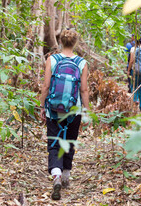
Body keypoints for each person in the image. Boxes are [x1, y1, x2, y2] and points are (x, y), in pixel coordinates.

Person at [40, 28, 89, 200]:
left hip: (53, 110)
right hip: (73, 111)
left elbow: (46, 86)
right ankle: (66, 176)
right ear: (75, 43)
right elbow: (83, 89)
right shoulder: (82, 63)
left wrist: (41, 106)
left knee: (54, 144)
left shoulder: (52, 59)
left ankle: (56, 176)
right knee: (69, 141)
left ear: (60, 41)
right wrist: (86, 110)